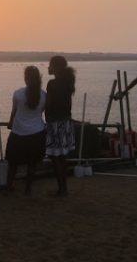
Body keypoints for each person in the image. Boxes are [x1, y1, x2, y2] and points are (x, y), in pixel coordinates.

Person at [5, 66, 47, 194]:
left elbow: (14, 112)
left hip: (18, 132)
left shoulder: (18, 93)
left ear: (25, 78)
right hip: (37, 132)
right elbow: (41, 112)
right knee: (32, 163)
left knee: (13, 163)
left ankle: (9, 186)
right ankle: (28, 188)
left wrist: (11, 124)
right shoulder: (43, 95)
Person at [45, 55, 76, 197]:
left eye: (50, 65)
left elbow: (49, 105)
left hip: (55, 122)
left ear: (55, 67)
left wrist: (47, 121)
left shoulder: (52, 84)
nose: (48, 67)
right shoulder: (68, 83)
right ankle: (65, 188)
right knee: (63, 157)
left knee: (55, 158)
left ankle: (61, 189)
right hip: (67, 122)